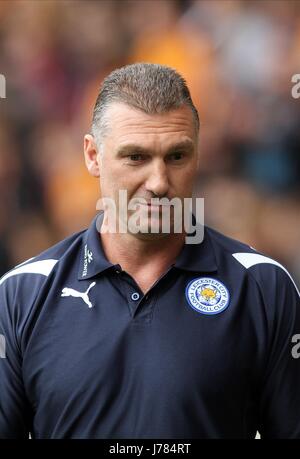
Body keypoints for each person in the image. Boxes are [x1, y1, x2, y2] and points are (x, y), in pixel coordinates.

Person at [0, 63, 299, 439]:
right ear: (93, 156)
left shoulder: (264, 288)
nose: (158, 183)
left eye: (176, 156)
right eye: (136, 157)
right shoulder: (21, 295)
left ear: (198, 155)